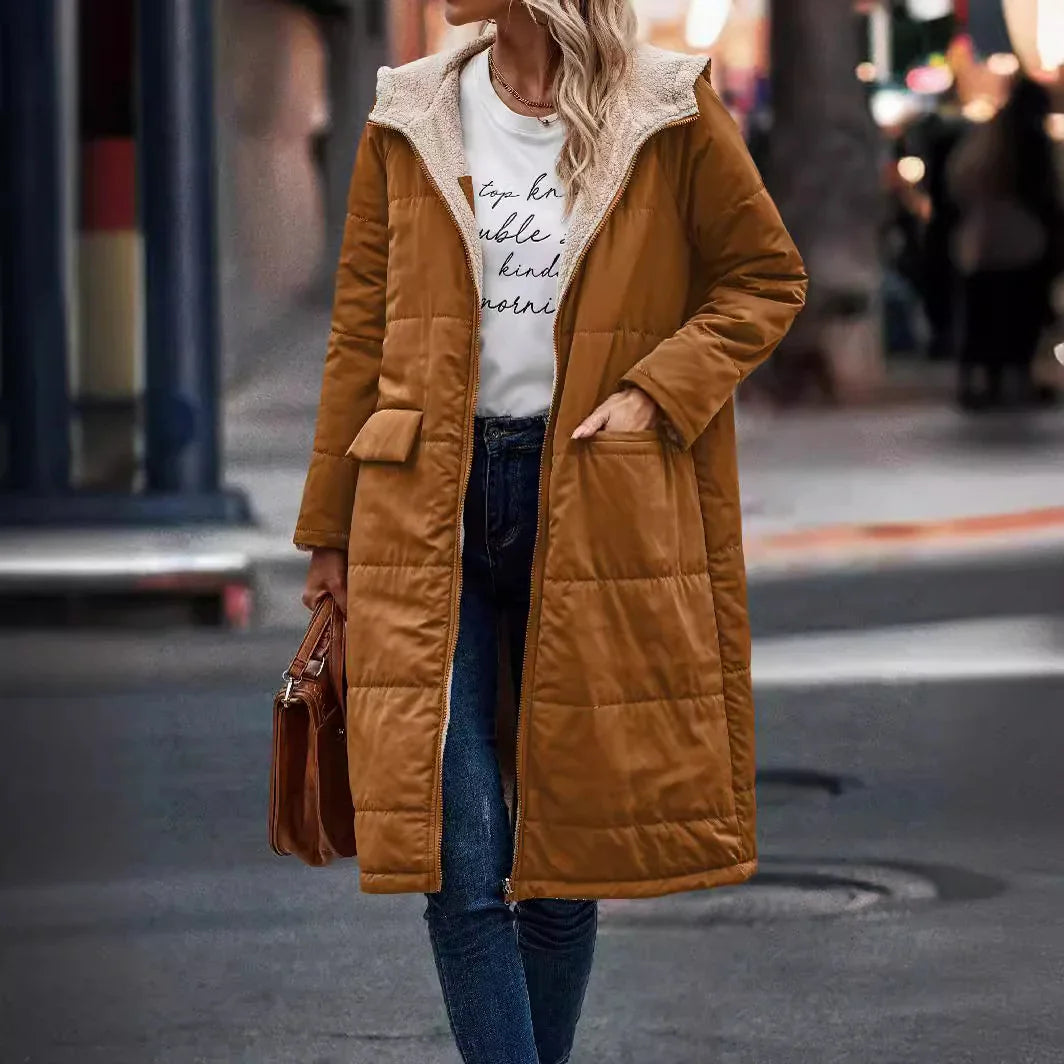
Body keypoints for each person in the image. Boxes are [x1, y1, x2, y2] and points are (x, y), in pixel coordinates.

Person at [294, 2, 807, 1060]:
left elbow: (764, 276)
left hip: (591, 496)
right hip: (422, 499)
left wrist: (655, 393)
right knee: (461, 862)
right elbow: (357, 332)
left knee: (562, 867)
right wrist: (328, 533)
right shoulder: (411, 111)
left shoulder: (664, 108)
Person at [948, 76, 1063, 410]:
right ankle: (1014, 380)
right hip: (1023, 241)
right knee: (1020, 315)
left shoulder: (988, 136)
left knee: (985, 315)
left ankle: (983, 382)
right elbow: (1045, 193)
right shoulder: (1030, 141)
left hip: (984, 242)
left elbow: (960, 182)